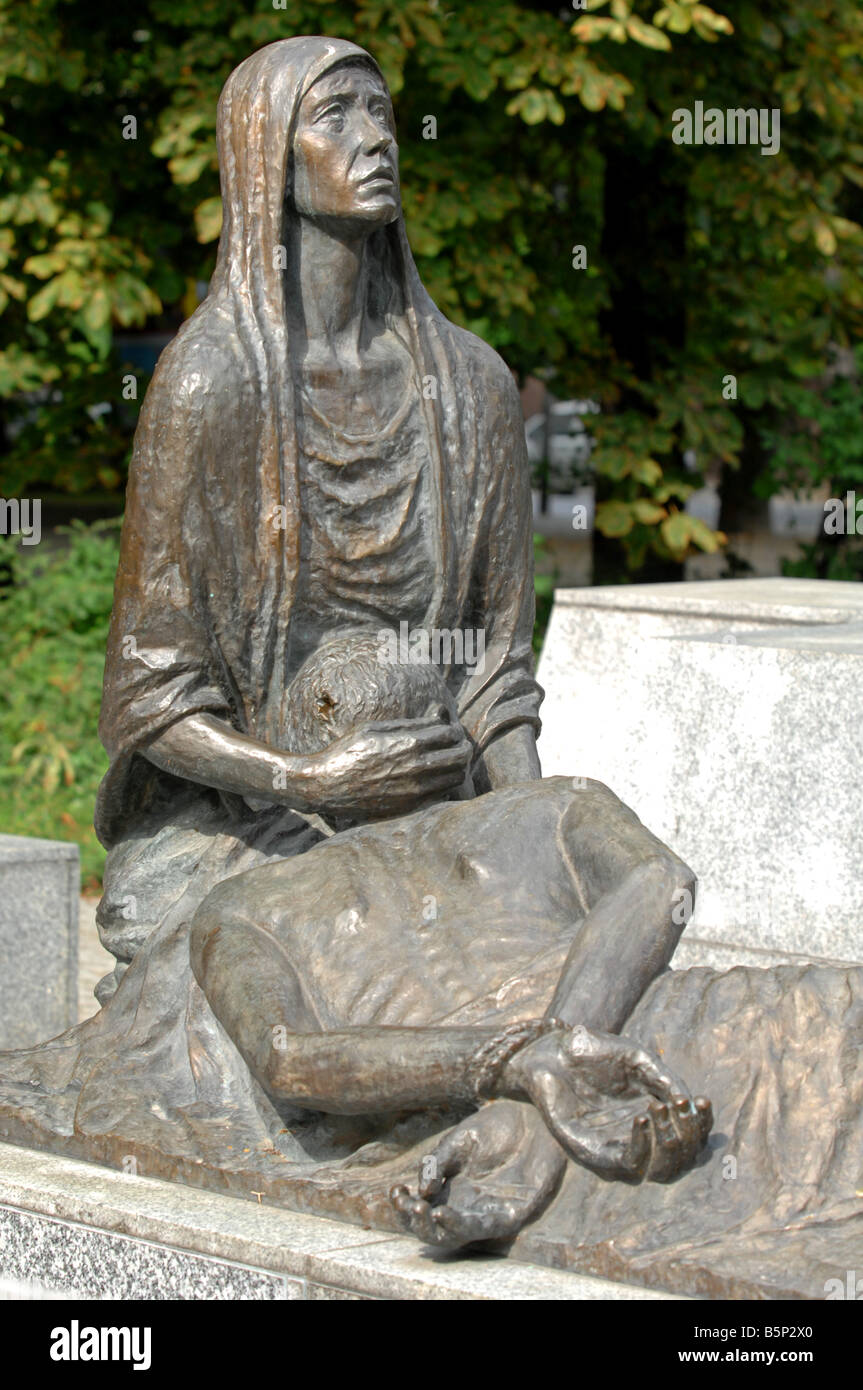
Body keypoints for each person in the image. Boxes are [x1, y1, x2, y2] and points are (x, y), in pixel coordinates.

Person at [190, 629, 713, 1246]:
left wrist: (524, 1071)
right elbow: (662, 882)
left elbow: (289, 1057)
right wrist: (541, 1056)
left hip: (463, 1078)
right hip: (640, 1028)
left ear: (320, 781)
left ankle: (527, 1138)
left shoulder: (242, 904)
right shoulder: (558, 803)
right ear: (448, 725)